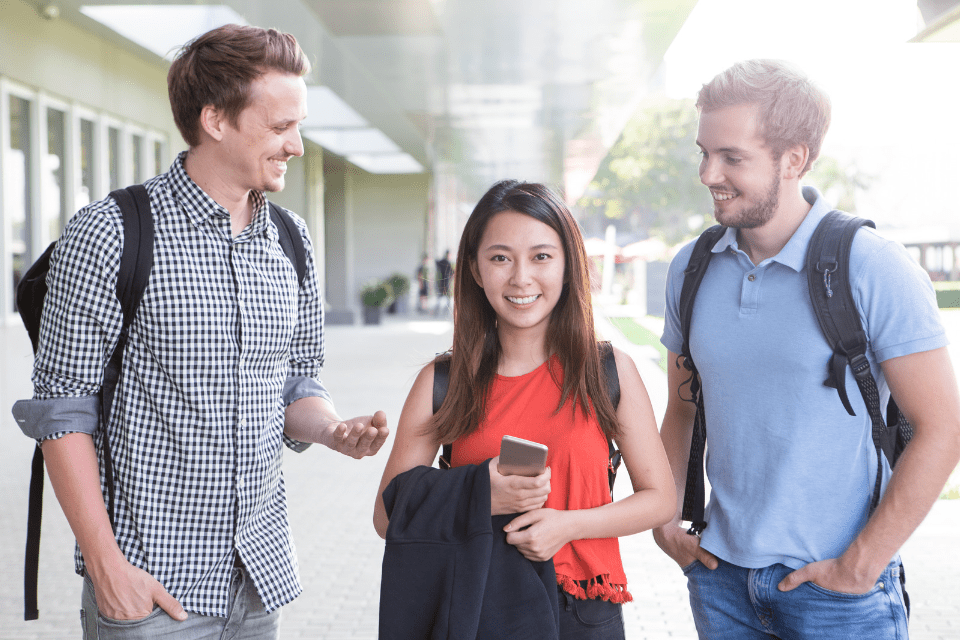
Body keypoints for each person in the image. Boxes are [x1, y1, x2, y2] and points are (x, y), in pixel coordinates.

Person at [11, 24, 388, 639]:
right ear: (215, 120)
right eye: (279, 126)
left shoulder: (292, 240)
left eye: (300, 125)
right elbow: (62, 414)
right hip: (151, 589)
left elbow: (293, 380)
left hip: (257, 580)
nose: (296, 145)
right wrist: (107, 567)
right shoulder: (112, 232)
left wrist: (330, 429)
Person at [653, 58, 960, 639]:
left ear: (794, 158)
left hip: (837, 596)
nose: (706, 173)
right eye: (704, 151)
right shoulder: (690, 270)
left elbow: (943, 428)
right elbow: (683, 408)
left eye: (731, 158)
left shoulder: (873, 267)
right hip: (720, 580)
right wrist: (665, 518)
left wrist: (862, 564)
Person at [374, 180, 675, 638]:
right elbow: (387, 516)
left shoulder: (608, 371)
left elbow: (660, 499)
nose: (520, 278)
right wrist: (480, 495)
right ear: (475, 269)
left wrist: (568, 526)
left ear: (568, 266)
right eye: (500, 258)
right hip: (481, 605)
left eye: (541, 256)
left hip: (584, 611)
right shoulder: (442, 382)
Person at [434, 249, 454, 315]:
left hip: (440, 282)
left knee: (440, 297)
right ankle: (446, 311)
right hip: (446, 282)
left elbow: (436, 262)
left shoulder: (441, 262)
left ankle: (437, 311)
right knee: (447, 297)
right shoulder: (447, 262)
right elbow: (452, 273)